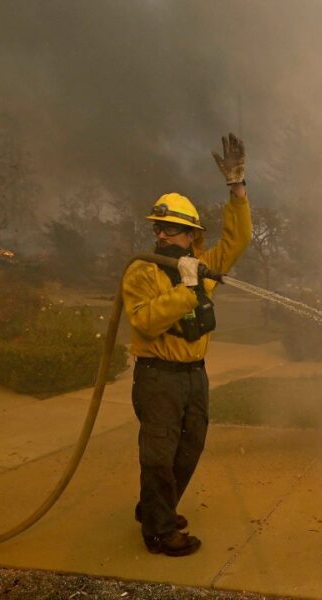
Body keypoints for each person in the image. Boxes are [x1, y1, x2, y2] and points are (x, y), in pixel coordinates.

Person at [121, 133, 252, 556]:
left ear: (191, 234)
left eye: (171, 229)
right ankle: (159, 532)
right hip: (158, 376)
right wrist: (187, 289)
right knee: (158, 454)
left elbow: (238, 240)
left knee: (189, 448)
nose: (161, 234)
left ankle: (156, 508)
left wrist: (236, 187)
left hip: (195, 375)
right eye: (158, 227)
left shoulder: (203, 264)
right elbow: (143, 320)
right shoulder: (142, 271)